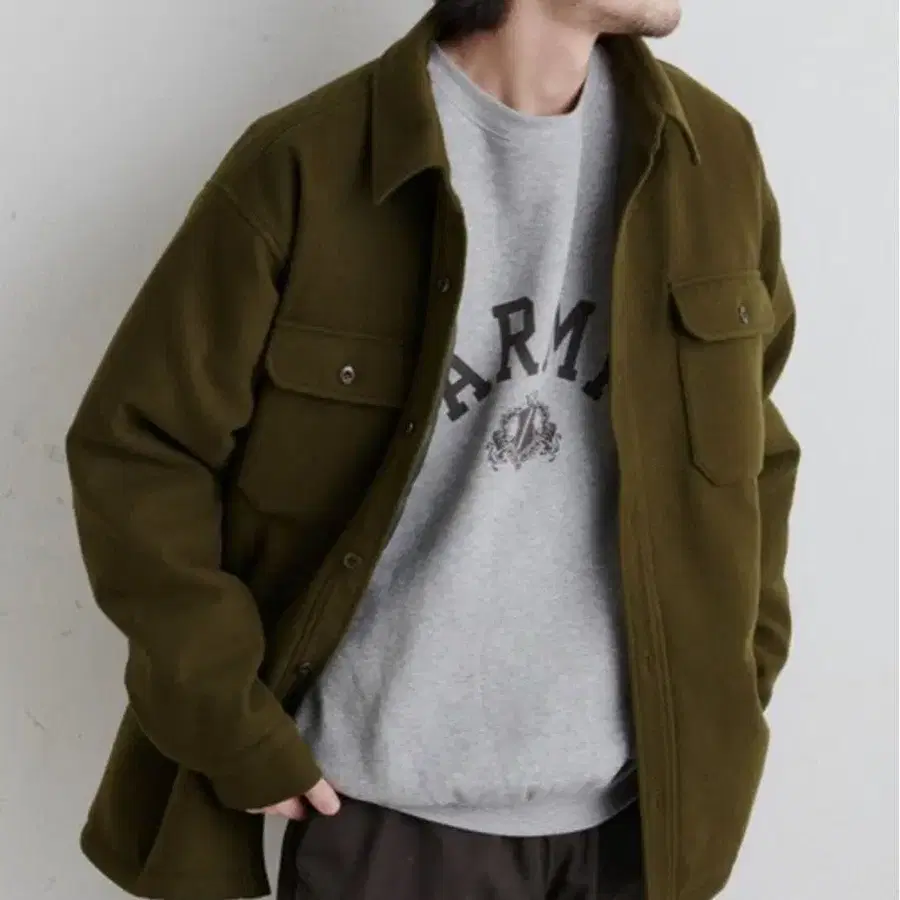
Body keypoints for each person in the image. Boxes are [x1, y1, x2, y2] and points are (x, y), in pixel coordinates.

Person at [65, 1, 800, 898]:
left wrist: (738, 674)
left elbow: (756, 453)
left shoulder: (713, 159)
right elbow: (138, 451)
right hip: (390, 828)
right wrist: (232, 724)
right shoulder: (308, 165)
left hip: (638, 827)